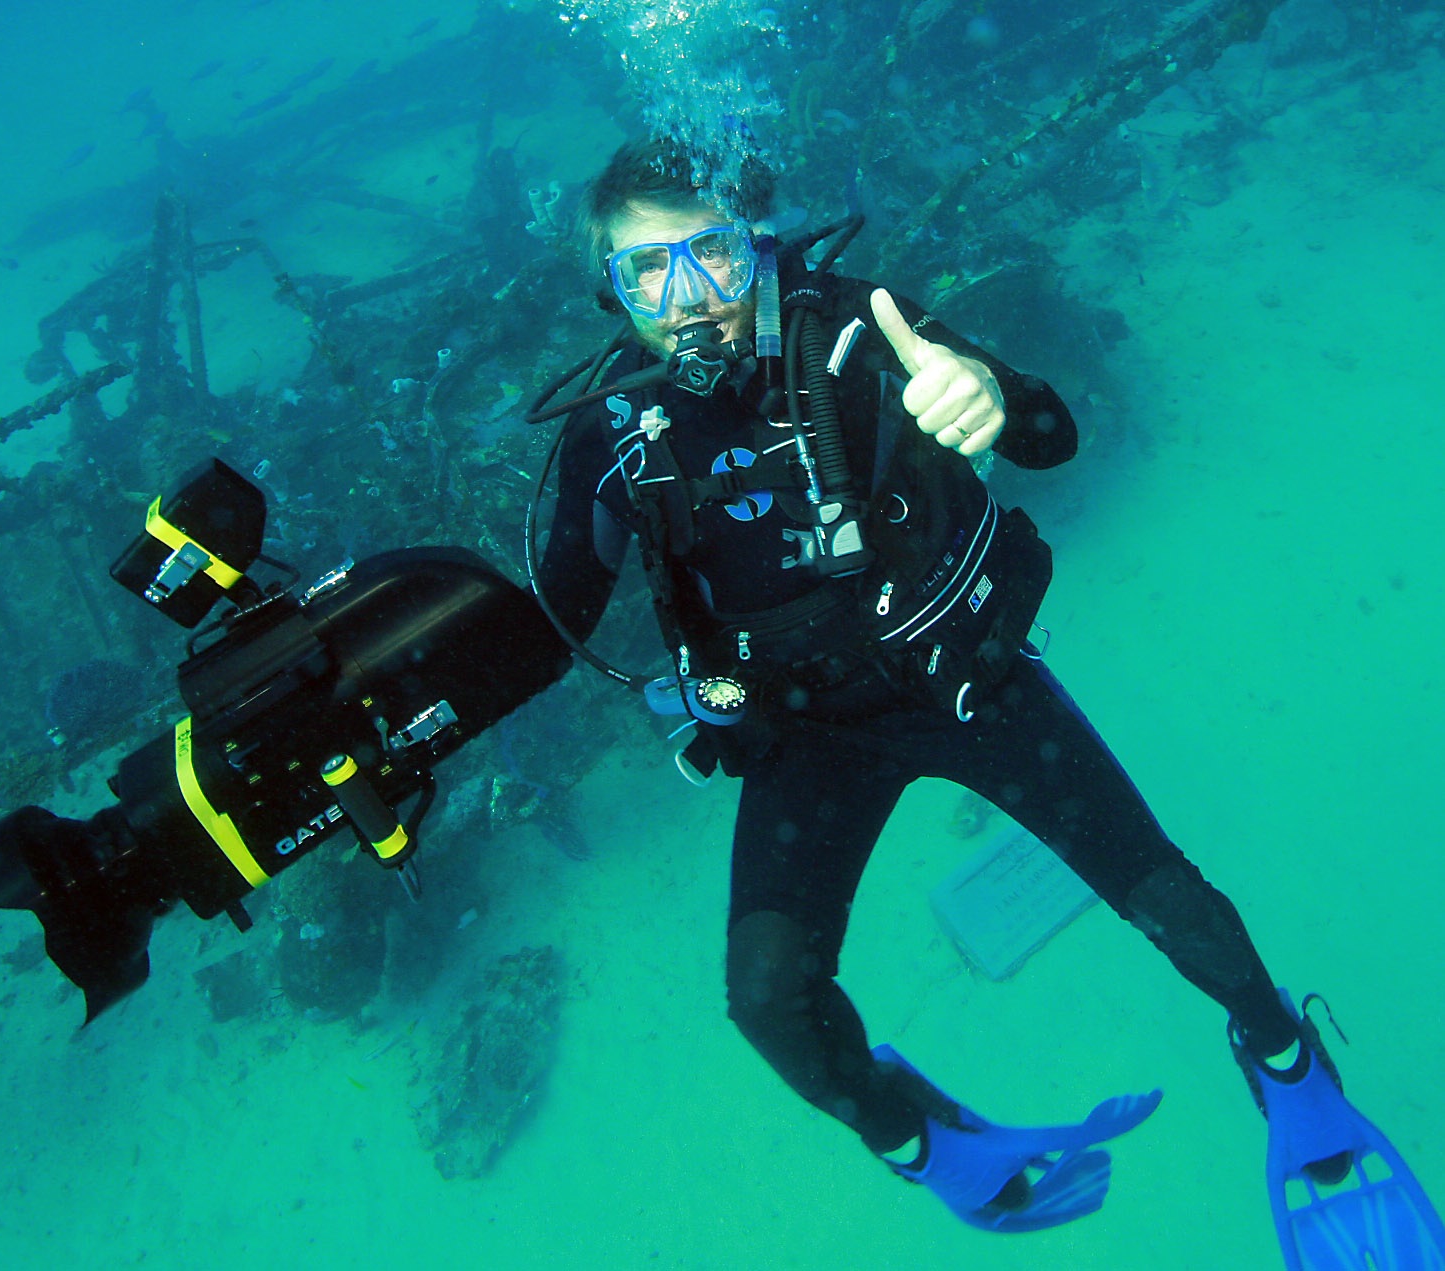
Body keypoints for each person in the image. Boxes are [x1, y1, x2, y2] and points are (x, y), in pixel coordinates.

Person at [532, 139, 1444, 1258]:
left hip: (963, 678)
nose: (687, 303)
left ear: (756, 245)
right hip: (806, 733)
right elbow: (546, 626)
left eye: (710, 255)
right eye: (646, 275)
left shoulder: (861, 330)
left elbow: (1056, 434)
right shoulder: (613, 434)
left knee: (1176, 903)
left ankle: (1290, 1066)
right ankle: (928, 1144)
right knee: (769, 999)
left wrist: (985, 396)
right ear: (613, 294)